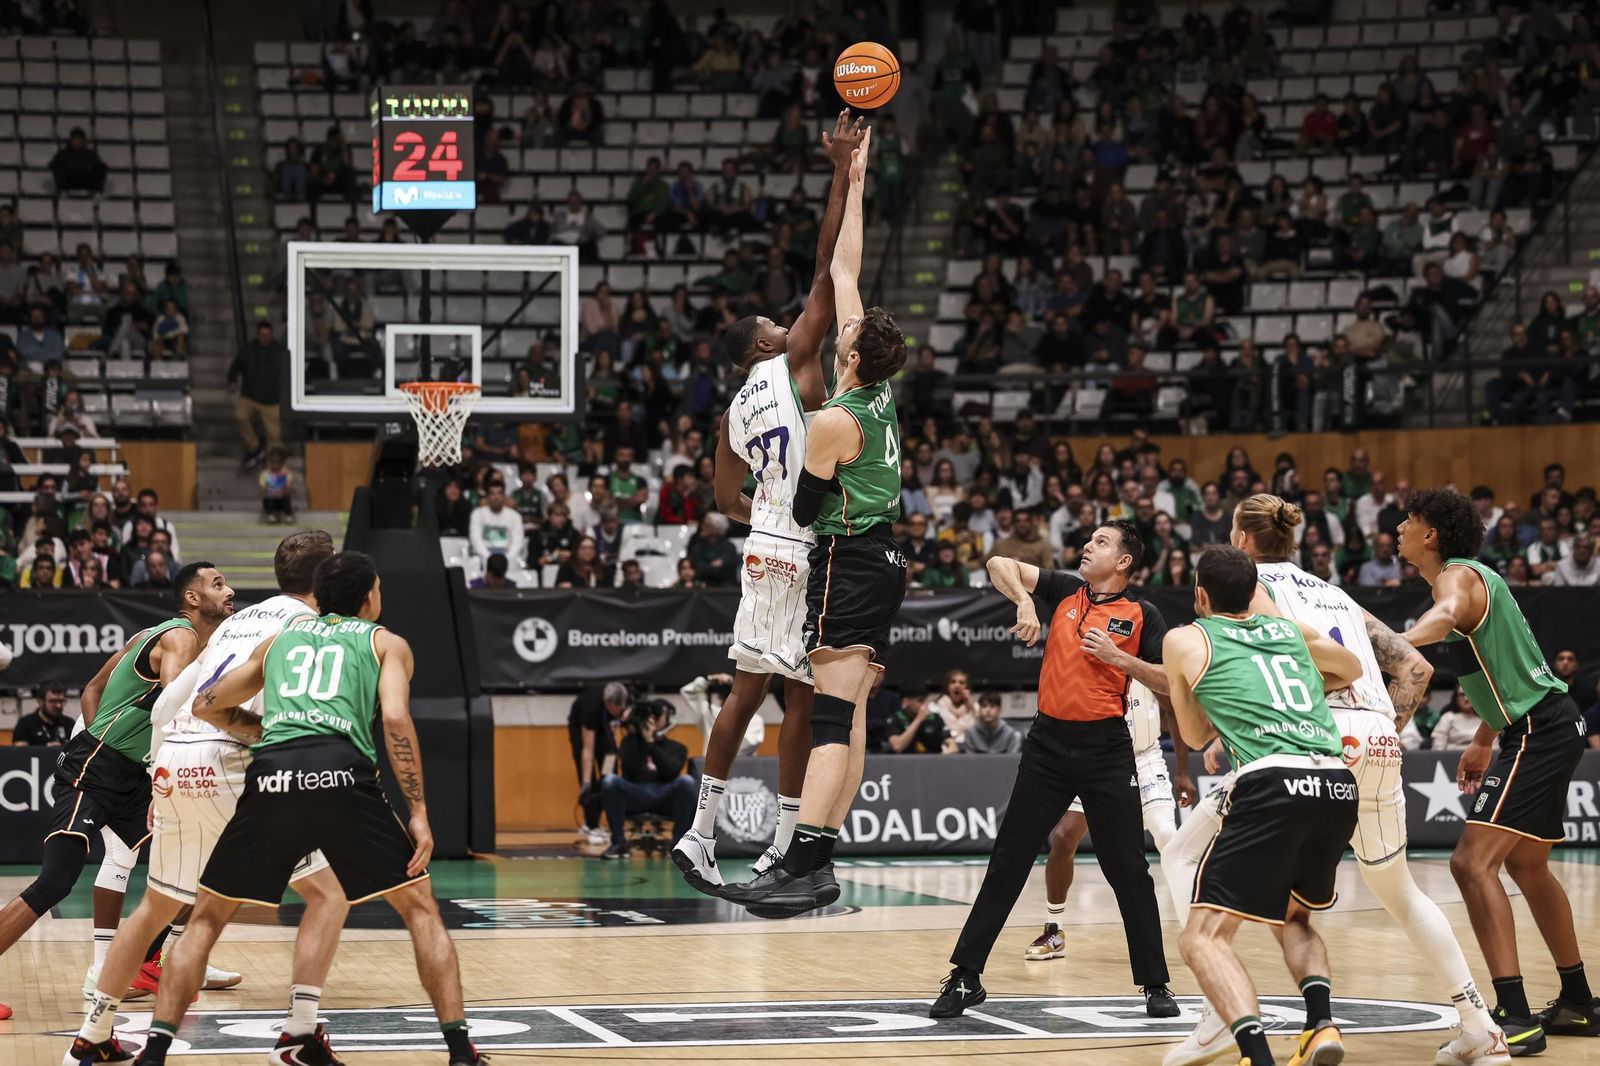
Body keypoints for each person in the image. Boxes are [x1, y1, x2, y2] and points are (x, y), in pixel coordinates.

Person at [1163, 495, 1509, 1066]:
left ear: (1241, 543)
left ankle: (1217, 1017)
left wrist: (1272, 711)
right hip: (1377, 738)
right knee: (1399, 893)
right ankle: (1478, 1026)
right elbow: (1415, 668)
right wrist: (1382, 735)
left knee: (1179, 856)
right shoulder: (1334, 594)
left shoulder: (1246, 589)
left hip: (1305, 740)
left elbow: (1244, 671)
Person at [132, 552, 488, 1066]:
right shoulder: (385, 642)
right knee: (420, 911)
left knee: (206, 918)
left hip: (273, 771)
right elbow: (393, 717)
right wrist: (418, 809)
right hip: (342, 771)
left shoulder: (281, 640)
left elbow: (206, 703)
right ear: (370, 597)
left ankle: (155, 1053)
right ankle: (459, 1051)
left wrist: (261, 733)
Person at [66, 534, 353, 1065]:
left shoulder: (233, 625)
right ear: (326, 579)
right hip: (235, 760)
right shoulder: (309, 627)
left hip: (177, 758)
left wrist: (158, 773)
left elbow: (168, 705)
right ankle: (301, 1036)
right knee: (328, 896)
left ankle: (93, 1035)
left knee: (161, 905)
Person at [671, 113, 864, 895]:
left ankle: (698, 834)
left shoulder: (729, 414)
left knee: (745, 690)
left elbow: (722, 497)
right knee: (800, 700)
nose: (787, 323)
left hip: (760, 550)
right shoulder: (792, 365)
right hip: (800, 549)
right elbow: (826, 266)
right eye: (773, 325)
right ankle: (787, 845)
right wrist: (843, 172)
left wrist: (768, 513)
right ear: (762, 343)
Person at [720, 128, 909, 919]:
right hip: (887, 558)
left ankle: (807, 858)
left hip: (851, 562)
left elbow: (801, 504)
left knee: (830, 714)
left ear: (854, 357)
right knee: (852, 711)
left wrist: (783, 517)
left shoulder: (836, 418)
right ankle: (820, 857)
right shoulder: (877, 393)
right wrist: (855, 181)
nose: (843, 328)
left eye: (849, 335)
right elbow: (843, 269)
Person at [928, 520, 1181, 1020]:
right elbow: (998, 564)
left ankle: (1155, 984)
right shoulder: (1065, 589)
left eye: (1102, 542)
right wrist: (1024, 601)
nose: (1088, 545)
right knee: (1009, 859)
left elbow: (1173, 683)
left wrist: (1120, 660)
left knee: (1128, 869)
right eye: (1090, 539)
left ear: (1125, 561)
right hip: (1046, 745)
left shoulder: (1143, 615)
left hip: (1107, 749)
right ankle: (965, 977)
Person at [1400, 488, 1598, 1054]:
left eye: (1409, 522)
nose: (1399, 530)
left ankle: (1514, 1016)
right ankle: (1579, 1004)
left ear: (1431, 534)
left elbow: (1447, 615)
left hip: (1538, 728)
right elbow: (1502, 666)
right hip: (1544, 722)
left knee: (1470, 864)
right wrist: (1484, 737)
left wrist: (1388, 644)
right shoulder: (1477, 576)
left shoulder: (1455, 577)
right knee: (1529, 866)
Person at [0, 563, 227, 1023]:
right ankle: (138, 963)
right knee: (56, 882)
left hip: (133, 775)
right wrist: (103, 740)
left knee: (194, 870)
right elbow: (173, 709)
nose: (230, 589)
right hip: (97, 768)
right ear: (192, 598)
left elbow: (94, 689)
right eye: (218, 584)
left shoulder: (175, 640)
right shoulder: (179, 637)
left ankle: (148, 963)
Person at [1164, 546, 1364, 1066]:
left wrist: (1240, 706)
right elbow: (1352, 667)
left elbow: (1193, 731)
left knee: (1201, 939)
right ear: (1255, 592)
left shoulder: (1185, 638)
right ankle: (1320, 1024)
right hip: (1337, 784)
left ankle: (1257, 1056)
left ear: (1200, 594)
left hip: (1271, 781)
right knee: (1295, 918)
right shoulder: (1292, 632)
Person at [1022, 677, 1183, 964]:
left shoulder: (1144, 654)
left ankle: (1195, 928)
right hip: (1099, 759)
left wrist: (1183, 772)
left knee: (1167, 836)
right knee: (1063, 837)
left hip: (1143, 757)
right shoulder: (1083, 663)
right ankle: (1054, 930)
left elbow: (1173, 708)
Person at [600, 699, 699, 859]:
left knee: (686, 782)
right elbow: (630, 771)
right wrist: (638, 736)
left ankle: (679, 845)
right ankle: (618, 842)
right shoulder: (629, 743)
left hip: (664, 796)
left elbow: (670, 773)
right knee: (610, 781)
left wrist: (651, 744)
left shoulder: (677, 748)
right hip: (635, 794)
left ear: (667, 719)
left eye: (657, 715)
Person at [569, 683, 629, 846]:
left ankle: (610, 823)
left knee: (608, 776)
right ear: (608, 703)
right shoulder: (591, 709)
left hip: (605, 732)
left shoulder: (623, 701)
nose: (619, 712)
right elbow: (588, 749)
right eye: (616, 709)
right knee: (591, 781)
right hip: (582, 731)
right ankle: (591, 824)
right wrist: (586, 782)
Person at [229, 321, 286, 468]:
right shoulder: (248, 350)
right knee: (240, 415)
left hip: (272, 400)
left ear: (272, 335)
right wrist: (232, 381)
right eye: (262, 335)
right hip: (250, 396)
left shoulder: (280, 351)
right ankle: (254, 446)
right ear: (258, 335)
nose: (265, 338)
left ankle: (274, 464)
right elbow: (235, 367)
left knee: (275, 435)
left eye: (268, 335)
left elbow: (289, 371)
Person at [11, 682, 71, 746]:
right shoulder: (25, 724)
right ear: (40, 701)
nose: (58, 705)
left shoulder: (69, 723)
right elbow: (18, 750)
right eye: (53, 701)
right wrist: (45, 748)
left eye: (61, 701)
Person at [260, 447, 294, 524]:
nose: (275, 464)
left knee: (286, 499)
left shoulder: (286, 473)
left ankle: (288, 515)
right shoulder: (265, 474)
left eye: (278, 461)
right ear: (269, 462)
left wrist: (283, 491)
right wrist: (268, 491)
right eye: (273, 461)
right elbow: (262, 487)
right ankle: (271, 515)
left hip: (282, 497)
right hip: (271, 498)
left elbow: (289, 485)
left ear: (283, 462)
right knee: (268, 499)